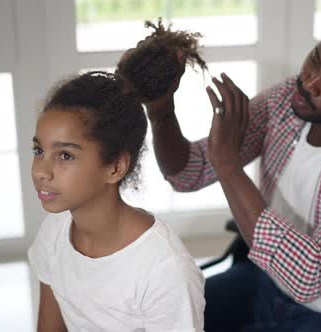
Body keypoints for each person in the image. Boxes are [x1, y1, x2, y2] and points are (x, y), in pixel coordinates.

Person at [132, 3, 321, 332]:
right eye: (316, 59)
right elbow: (187, 174)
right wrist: (161, 110)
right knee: (161, 321)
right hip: (263, 278)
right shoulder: (285, 102)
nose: (310, 83)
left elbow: (309, 276)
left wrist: (228, 165)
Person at [28, 71, 205, 332]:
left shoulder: (165, 271)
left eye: (65, 155)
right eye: (39, 151)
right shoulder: (55, 231)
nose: (41, 171)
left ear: (115, 167)